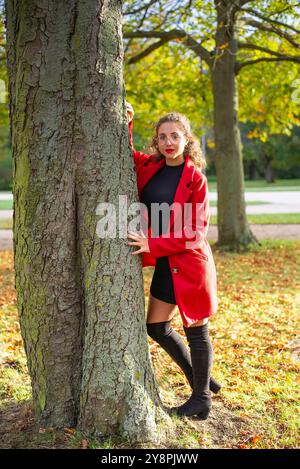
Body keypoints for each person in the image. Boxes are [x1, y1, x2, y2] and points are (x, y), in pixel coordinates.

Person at [126, 101, 220, 419]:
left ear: (186, 140)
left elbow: (195, 231)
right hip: (168, 262)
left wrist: (151, 241)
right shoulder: (150, 167)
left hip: (190, 262)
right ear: (156, 141)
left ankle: (202, 399)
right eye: (162, 136)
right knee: (156, 326)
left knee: (197, 328)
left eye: (175, 136)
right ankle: (201, 377)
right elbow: (122, 153)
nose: (168, 142)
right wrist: (127, 122)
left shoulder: (196, 179)